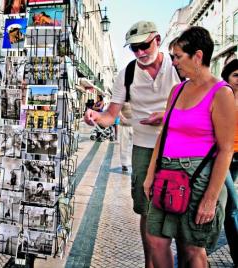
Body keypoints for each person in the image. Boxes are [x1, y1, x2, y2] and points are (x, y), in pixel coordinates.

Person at [84, 21, 180, 267]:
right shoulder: (126, 73)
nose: (140, 53)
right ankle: (150, 263)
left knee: (180, 204)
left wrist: (166, 115)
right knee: (146, 209)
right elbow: (109, 115)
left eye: (144, 46)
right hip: (144, 147)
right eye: (134, 49)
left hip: (178, 146)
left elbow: (197, 106)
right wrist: (96, 117)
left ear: (158, 39)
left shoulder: (178, 65)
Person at [143, 26, 234, 267]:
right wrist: (151, 174)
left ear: (198, 56)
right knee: (155, 239)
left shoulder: (221, 93)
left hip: (198, 176)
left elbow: (226, 149)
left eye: (178, 56)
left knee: (192, 247)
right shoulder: (177, 90)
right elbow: (164, 135)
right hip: (167, 173)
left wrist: (210, 198)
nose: (173, 62)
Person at [221, 58, 238, 266]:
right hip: (223, 156)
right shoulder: (221, 98)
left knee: (225, 207)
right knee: (233, 205)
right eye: (236, 75)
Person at [119, 102, 133, 172]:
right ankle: (124, 164)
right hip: (124, 126)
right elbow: (118, 110)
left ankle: (135, 163)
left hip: (135, 126)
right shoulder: (124, 98)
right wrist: (122, 118)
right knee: (124, 145)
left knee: (136, 146)